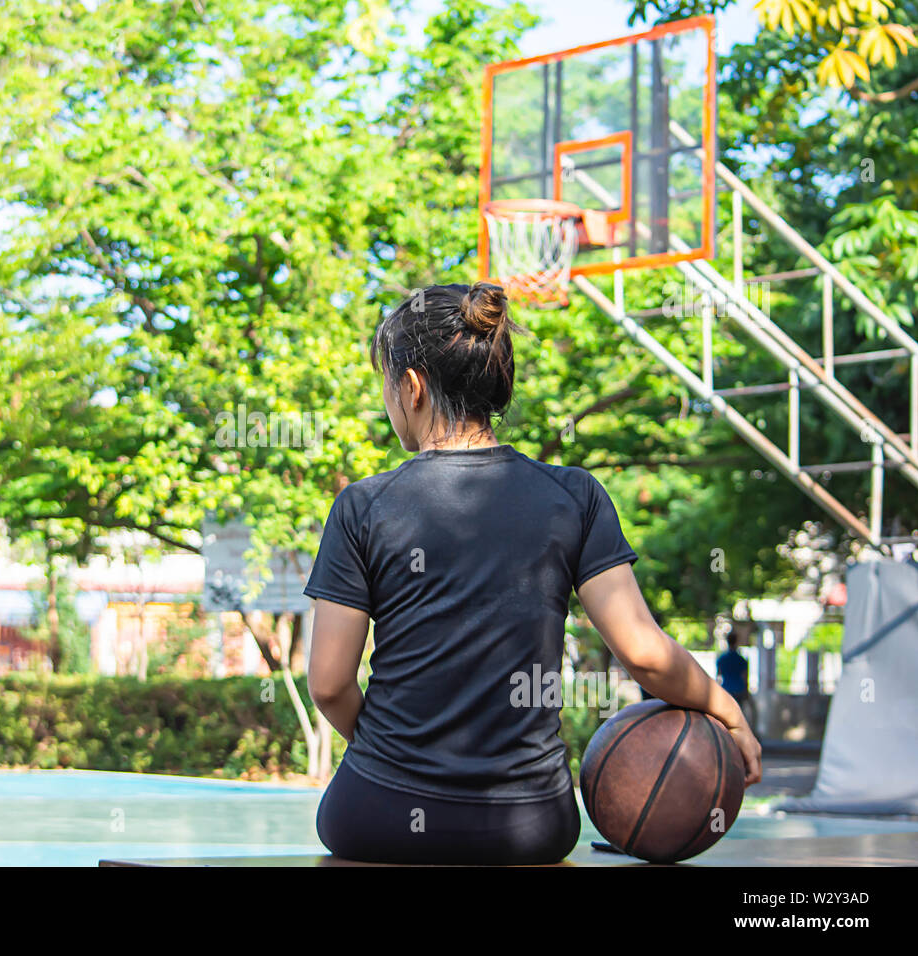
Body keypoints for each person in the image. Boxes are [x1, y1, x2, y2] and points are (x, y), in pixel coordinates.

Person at [304, 282, 762, 866]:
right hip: (529, 825)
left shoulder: (363, 506)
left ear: (411, 387)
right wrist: (726, 710)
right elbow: (645, 654)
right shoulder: (573, 497)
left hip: (375, 817)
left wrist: (393, 758)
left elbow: (328, 684)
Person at [715, 633, 753, 726]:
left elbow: (718, 676)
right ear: (736, 642)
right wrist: (746, 692)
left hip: (726, 690)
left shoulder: (721, 659)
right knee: (741, 718)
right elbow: (745, 678)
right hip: (739, 691)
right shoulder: (741, 659)